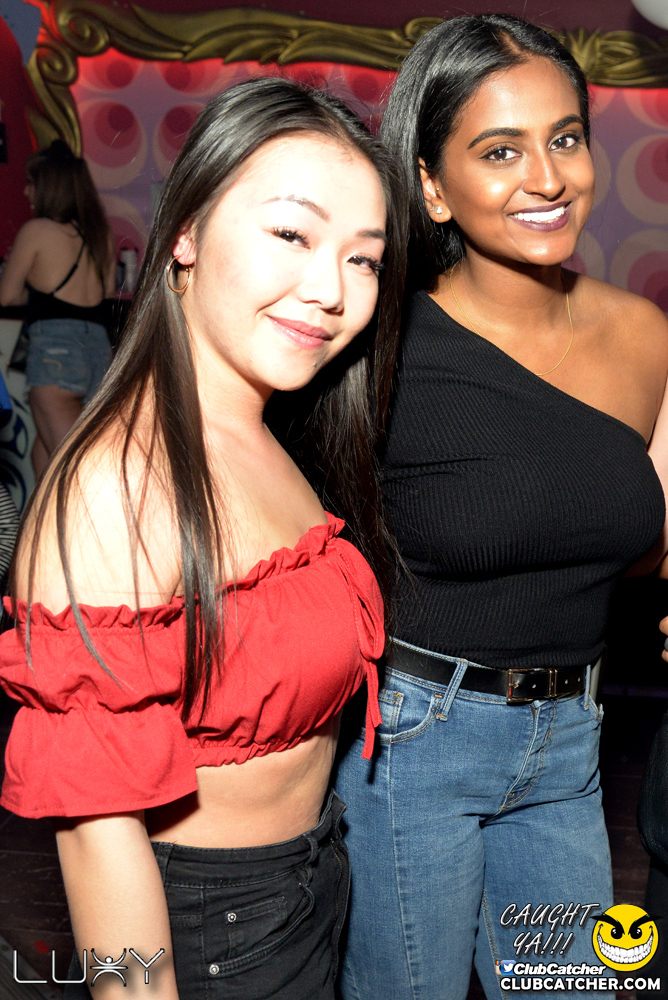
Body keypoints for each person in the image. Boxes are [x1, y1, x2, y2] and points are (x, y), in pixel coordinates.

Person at [0, 78, 404, 1000]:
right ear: (184, 233)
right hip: (206, 933)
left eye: (364, 258)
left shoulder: (265, 427)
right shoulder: (115, 485)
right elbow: (97, 834)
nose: (331, 291)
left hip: (310, 887)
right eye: (292, 234)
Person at [334, 14, 668, 1000]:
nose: (547, 177)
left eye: (564, 138)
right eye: (499, 150)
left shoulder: (642, 335)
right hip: (411, 743)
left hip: (570, 744)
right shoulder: (374, 343)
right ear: (431, 184)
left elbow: (646, 540)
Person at [0, 140, 115, 477]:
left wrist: (38, 293)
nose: (26, 191)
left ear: (48, 186)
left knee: (75, 470)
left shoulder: (36, 231)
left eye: (31, 183)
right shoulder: (100, 234)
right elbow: (106, 290)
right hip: (97, 351)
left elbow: (6, 296)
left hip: (56, 352)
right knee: (46, 456)